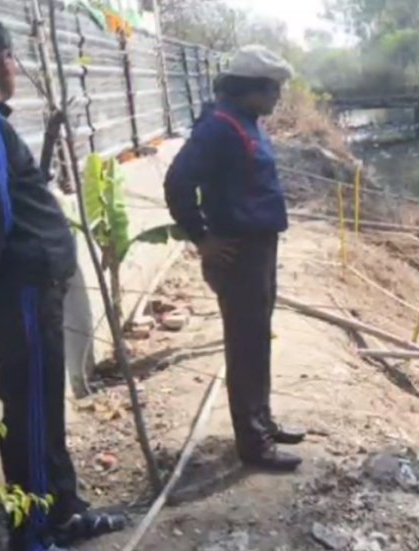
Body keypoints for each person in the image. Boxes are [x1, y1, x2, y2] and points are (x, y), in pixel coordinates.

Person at [0, 15, 124, 551]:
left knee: (40, 405)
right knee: (33, 409)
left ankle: (62, 511)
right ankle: (37, 532)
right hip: (18, 289)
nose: (16, 66)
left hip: (25, 287)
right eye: (14, 57)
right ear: (2, 62)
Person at [164, 45, 304, 472]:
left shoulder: (246, 122)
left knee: (258, 337)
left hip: (259, 247)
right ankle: (253, 444)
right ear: (252, 89)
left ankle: (261, 420)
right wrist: (202, 237)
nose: (278, 97)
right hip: (237, 252)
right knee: (245, 345)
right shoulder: (219, 127)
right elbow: (177, 182)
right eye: (274, 88)